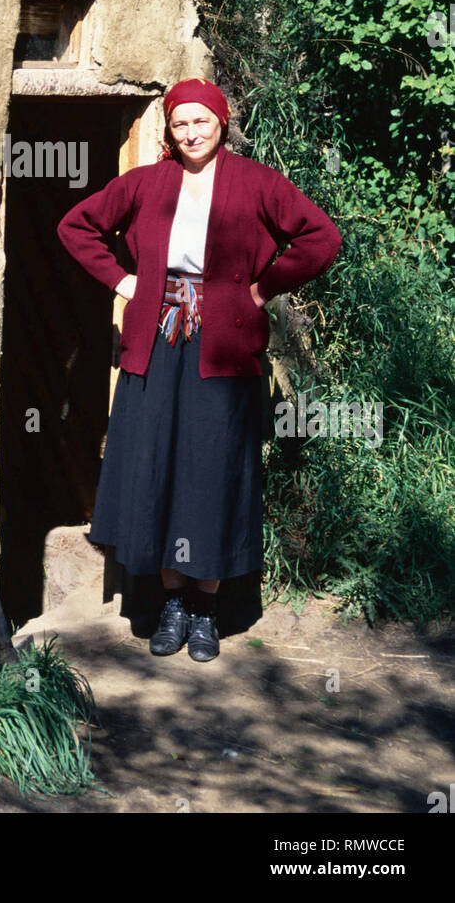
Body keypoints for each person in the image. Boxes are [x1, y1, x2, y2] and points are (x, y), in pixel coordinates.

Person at [56, 77, 342, 662]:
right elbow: (76, 227)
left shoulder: (256, 183)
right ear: (169, 128)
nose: (191, 133)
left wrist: (263, 290)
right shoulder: (144, 184)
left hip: (224, 350)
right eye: (180, 123)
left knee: (210, 470)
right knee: (157, 463)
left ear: (221, 123)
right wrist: (126, 281)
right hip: (158, 342)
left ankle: (207, 609)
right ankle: (171, 605)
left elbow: (321, 238)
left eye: (201, 122)